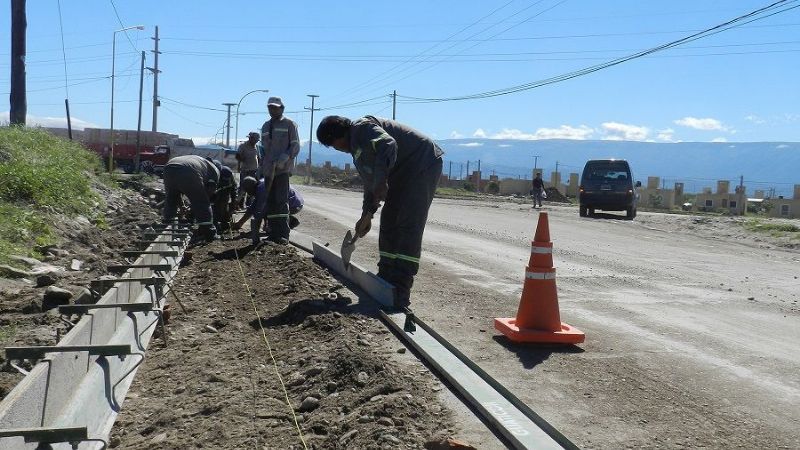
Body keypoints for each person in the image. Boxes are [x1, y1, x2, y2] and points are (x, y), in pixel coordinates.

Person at [316, 115, 443, 309]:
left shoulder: (362, 128)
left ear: (338, 136)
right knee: (389, 221)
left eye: (334, 145)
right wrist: (366, 214)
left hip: (422, 163)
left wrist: (382, 180)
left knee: (407, 224)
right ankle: (386, 278)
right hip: (401, 170)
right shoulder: (357, 151)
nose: (337, 149)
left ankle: (400, 289)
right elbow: (371, 185)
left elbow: (388, 143)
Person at [258, 96, 300, 243]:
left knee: (281, 202)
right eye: (270, 107)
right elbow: (263, 149)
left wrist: (285, 157)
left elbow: (295, 145)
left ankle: (283, 235)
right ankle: (273, 233)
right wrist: (261, 166)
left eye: (275, 107)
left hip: (282, 170)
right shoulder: (265, 126)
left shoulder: (289, 124)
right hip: (268, 170)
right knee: (271, 202)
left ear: (282, 108)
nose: (272, 110)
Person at [162, 155, 220, 243]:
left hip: (169, 167)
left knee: (171, 198)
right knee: (202, 202)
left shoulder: (200, 161)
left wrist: (182, 206)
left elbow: (176, 192)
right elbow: (208, 194)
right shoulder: (215, 170)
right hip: (188, 171)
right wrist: (195, 206)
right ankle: (209, 233)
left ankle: (167, 226)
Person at [207, 159, 238, 232]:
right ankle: (213, 223)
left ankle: (224, 223)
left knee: (223, 206)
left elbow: (233, 189)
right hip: (212, 191)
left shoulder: (228, 174)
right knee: (213, 207)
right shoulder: (210, 174)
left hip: (224, 191)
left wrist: (234, 202)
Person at [236, 132, 260, 207]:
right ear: (251, 138)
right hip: (245, 170)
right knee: (243, 187)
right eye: (254, 140)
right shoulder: (243, 146)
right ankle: (239, 204)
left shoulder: (256, 146)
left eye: (257, 140)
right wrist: (240, 163)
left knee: (252, 187)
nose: (256, 142)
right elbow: (237, 156)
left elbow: (258, 157)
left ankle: (249, 204)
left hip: (254, 170)